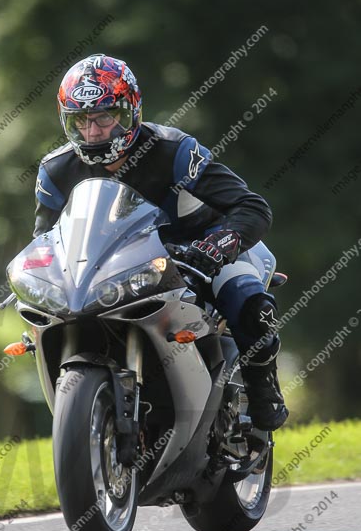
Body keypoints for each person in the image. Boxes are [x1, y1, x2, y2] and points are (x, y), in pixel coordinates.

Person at [33, 53, 288, 431]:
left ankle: (263, 389)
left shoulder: (174, 151)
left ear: (132, 110)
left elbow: (251, 207)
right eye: (80, 121)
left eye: (105, 117)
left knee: (247, 302)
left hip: (199, 250)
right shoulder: (55, 170)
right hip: (115, 267)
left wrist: (216, 247)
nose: (93, 132)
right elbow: (43, 239)